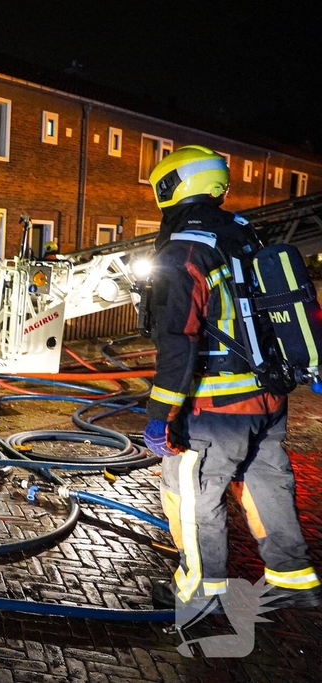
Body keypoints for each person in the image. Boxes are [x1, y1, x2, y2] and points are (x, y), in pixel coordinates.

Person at [143, 145, 322, 609]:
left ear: (172, 184)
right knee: (268, 483)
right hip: (268, 396)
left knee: (193, 497)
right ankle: (294, 578)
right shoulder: (244, 235)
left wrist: (162, 414)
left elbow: (179, 339)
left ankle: (199, 595)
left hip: (215, 409)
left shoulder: (185, 248)